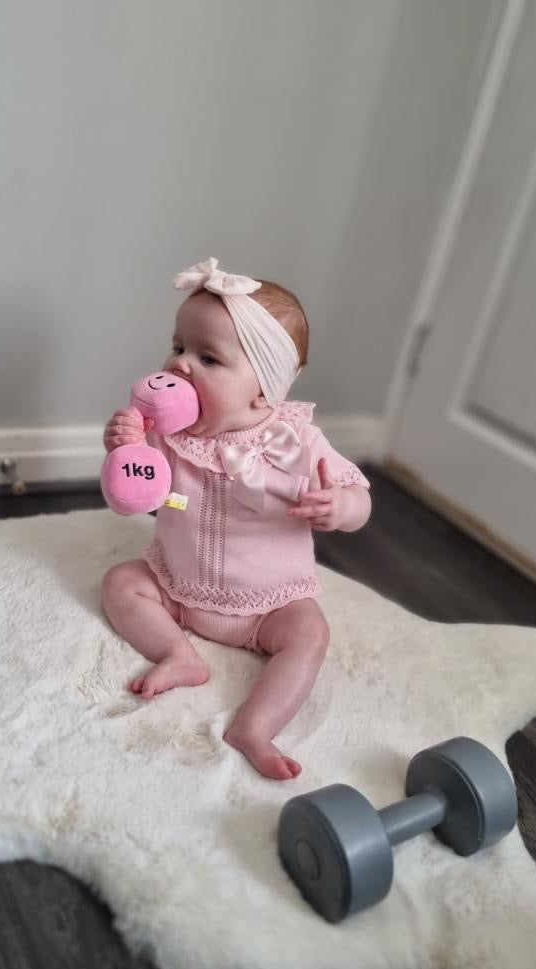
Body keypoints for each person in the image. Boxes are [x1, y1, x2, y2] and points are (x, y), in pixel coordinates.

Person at [102, 258, 371, 780]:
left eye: (208, 358)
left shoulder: (296, 441)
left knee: (310, 634)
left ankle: (256, 726)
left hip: (267, 606)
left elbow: (359, 496)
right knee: (122, 582)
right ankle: (179, 654)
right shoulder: (171, 433)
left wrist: (340, 507)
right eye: (178, 347)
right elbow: (141, 491)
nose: (180, 366)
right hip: (176, 586)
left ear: (264, 389)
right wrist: (124, 447)